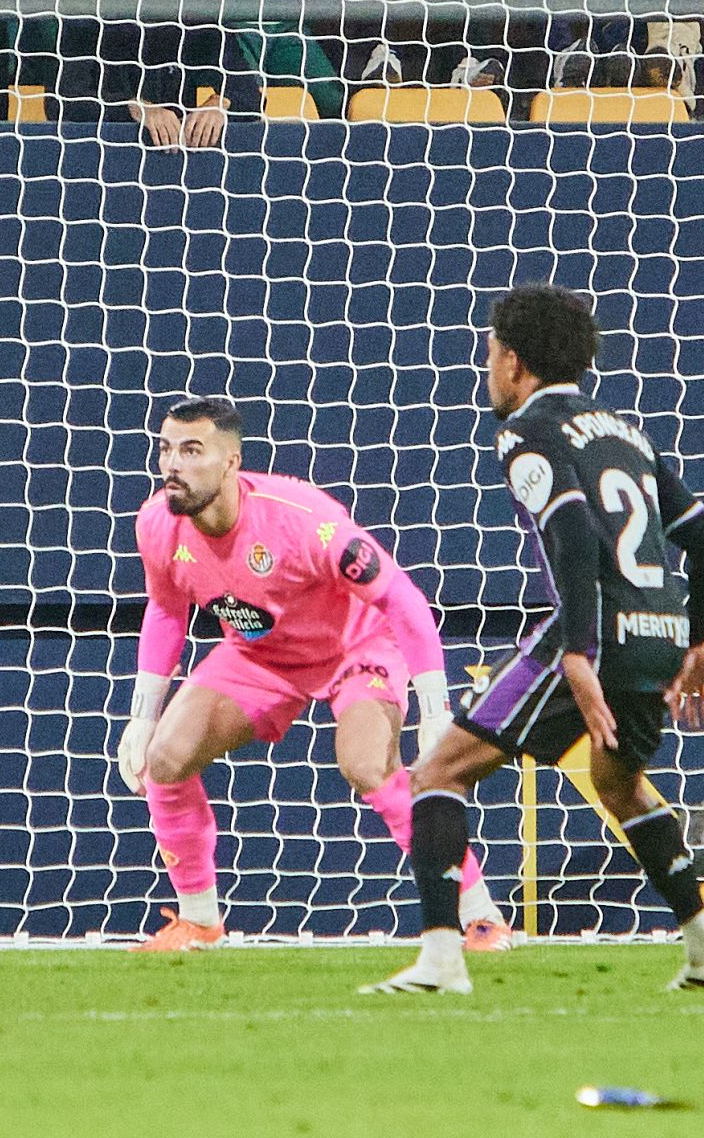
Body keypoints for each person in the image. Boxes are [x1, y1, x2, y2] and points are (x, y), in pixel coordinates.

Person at [363, 285, 704, 996]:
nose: (487, 369)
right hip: (660, 632)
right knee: (618, 783)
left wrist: (578, 649)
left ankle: (442, 961)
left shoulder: (526, 431)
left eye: (489, 353)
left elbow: (571, 535)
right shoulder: (625, 431)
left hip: (591, 634)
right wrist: (698, 639)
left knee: (438, 772)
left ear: (513, 362)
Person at [117, 396, 510, 952]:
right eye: (166, 450)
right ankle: (199, 922)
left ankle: (478, 916)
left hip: (356, 649)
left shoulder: (303, 520)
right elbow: (165, 611)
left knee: (367, 766)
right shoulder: (157, 524)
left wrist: (435, 709)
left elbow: (403, 600)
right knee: (166, 758)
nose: (172, 466)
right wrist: (142, 715)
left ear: (230, 462)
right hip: (260, 655)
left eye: (191, 450)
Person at [51, 0, 263, 150]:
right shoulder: (86, 15)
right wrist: (132, 107)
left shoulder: (196, 15)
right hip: (101, 148)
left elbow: (249, 95)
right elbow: (59, 100)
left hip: (178, 153)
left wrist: (221, 104)